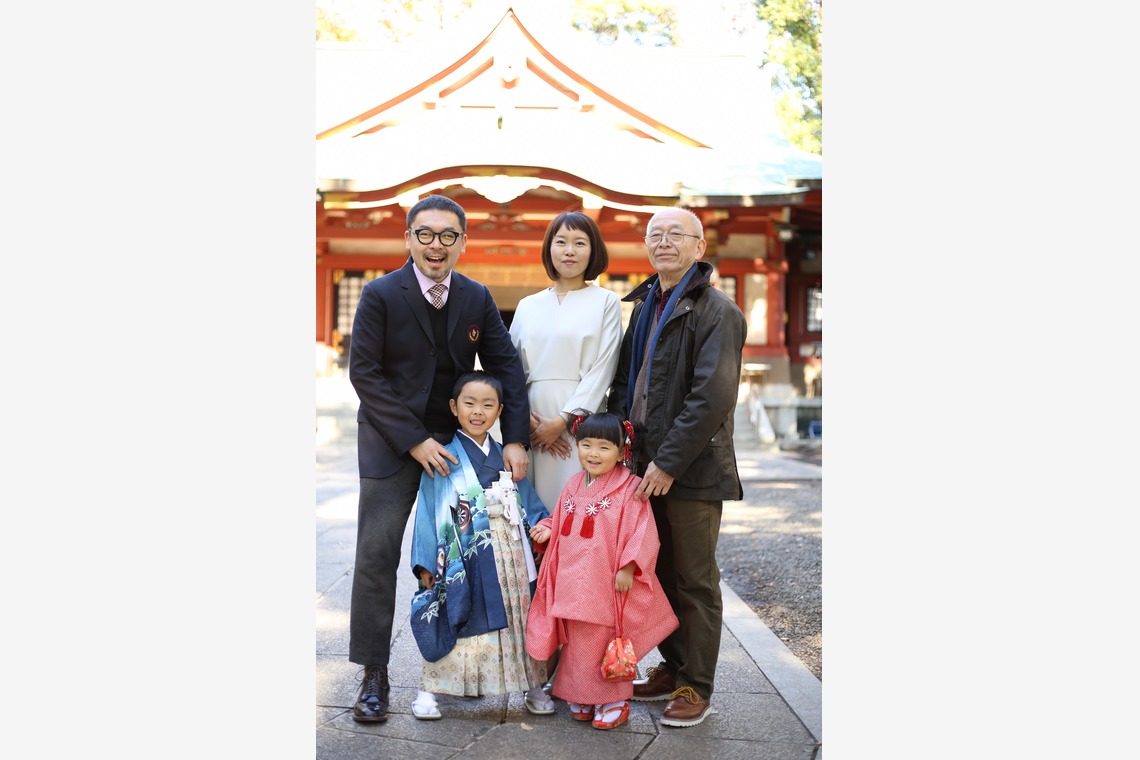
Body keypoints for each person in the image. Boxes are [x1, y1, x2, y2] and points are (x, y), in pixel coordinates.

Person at [346, 194, 531, 724]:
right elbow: (366, 375)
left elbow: (505, 368)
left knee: (460, 554)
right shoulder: (381, 293)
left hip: (454, 449)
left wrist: (514, 437)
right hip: (390, 441)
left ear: (462, 242)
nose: (436, 245)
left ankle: (464, 665)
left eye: (448, 235)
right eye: (425, 234)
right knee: (377, 554)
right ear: (408, 238)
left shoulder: (475, 296)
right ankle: (374, 673)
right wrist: (413, 440)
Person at [607, 207, 747, 728]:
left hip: (690, 470)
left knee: (693, 579)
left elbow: (711, 397)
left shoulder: (717, 311)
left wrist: (666, 462)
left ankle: (696, 684)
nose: (664, 242)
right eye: (655, 235)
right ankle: (671, 665)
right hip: (643, 465)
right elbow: (627, 381)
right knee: (658, 575)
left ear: (699, 246)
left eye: (676, 234)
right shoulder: (646, 304)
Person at [408, 371, 553, 720]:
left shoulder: (506, 454)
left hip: (511, 553)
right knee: (457, 616)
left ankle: (533, 685)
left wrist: (542, 524)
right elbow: (428, 511)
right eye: (469, 403)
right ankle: (430, 689)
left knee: (520, 616)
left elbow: (528, 499)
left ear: (500, 410)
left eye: (488, 405)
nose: (478, 411)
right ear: (453, 407)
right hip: (464, 553)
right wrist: (426, 562)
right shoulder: (445, 457)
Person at [525, 411, 678, 730]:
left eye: (604, 447)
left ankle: (613, 700)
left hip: (606, 579)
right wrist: (547, 528)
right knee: (578, 637)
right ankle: (581, 693)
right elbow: (562, 517)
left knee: (605, 637)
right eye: (586, 445)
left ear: (623, 451)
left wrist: (629, 566)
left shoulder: (631, 487)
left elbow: (643, 530)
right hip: (573, 576)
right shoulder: (573, 483)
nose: (593, 454)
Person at [508, 211, 623, 512]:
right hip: (532, 419)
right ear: (549, 248)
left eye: (580, 243)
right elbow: (510, 368)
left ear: (593, 250)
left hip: (581, 422)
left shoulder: (606, 301)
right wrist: (531, 421)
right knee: (533, 509)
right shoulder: (527, 305)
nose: (569, 250)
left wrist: (563, 420)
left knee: (576, 506)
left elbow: (605, 367)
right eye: (561, 242)